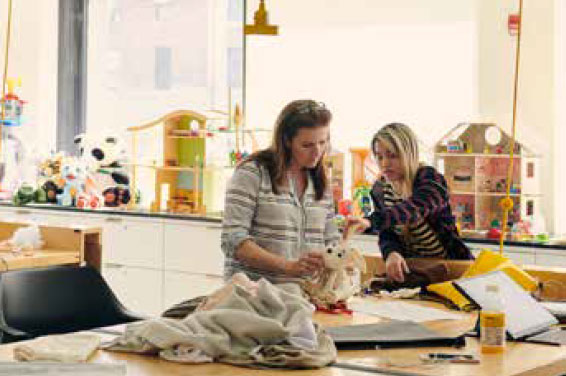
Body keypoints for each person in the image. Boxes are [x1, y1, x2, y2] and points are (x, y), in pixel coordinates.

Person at [221, 99, 341, 283]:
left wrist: (343, 245)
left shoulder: (320, 183)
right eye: (307, 145)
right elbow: (233, 241)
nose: (317, 152)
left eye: (322, 142)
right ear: (286, 141)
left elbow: (331, 242)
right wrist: (288, 266)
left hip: (305, 297)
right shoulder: (253, 173)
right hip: (254, 295)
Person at [345, 123, 473, 283]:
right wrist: (391, 253)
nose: (384, 163)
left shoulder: (430, 179)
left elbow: (413, 209)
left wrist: (371, 221)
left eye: (392, 156)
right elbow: (387, 234)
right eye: (379, 156)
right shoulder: (380, 189)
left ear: (408, 153)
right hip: (414, 269)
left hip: (452, 268)